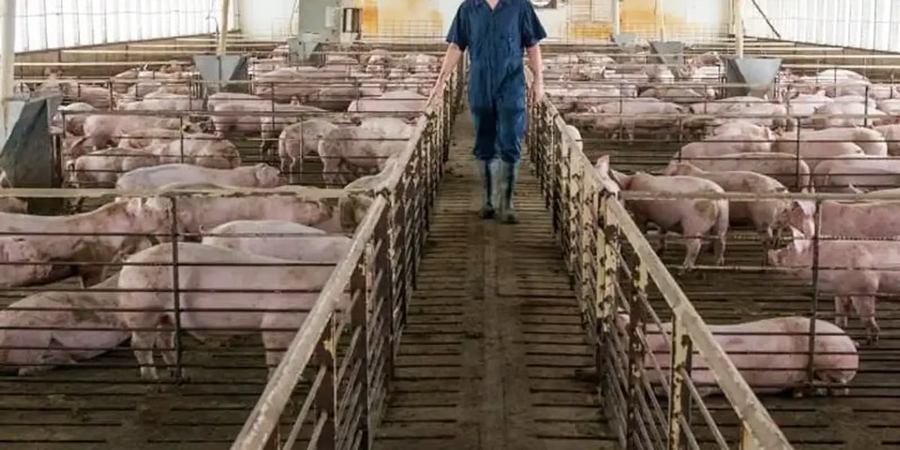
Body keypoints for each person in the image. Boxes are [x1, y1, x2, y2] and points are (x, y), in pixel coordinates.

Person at [431, 0, 547, 224]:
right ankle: (488, 200)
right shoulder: (469, 8)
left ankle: (507, 203)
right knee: (484, 140)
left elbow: (532, 45)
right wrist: (440, 81)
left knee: (511, 139)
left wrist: (539, 81)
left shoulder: (519, 6)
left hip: (511, 84)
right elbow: (456, 46)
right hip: (480, 84)